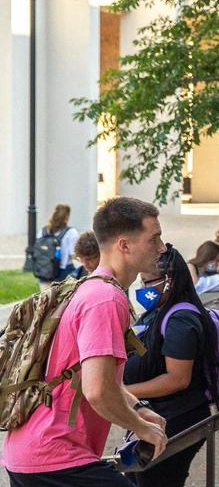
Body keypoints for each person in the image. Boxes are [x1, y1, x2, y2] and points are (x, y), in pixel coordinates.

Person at [2, 197, 169, 487]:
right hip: (55, 457)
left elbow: (96, 379)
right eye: (153, 238)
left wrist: (139, 408)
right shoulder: (105, 299)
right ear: (124, 245)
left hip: (32, 454)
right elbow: (97, 391)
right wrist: (141, 428)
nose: (161, 247)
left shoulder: (92, 288)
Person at [123, 246, 219, 487]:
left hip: (178, 419)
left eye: (148, 282)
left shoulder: (181, 321)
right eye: (141, 282)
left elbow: (177, 379)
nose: (143, 289)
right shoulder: (157, 312)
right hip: (158, 417)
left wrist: (124, 392)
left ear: (170, 281)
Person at [37, 204, 81, 287]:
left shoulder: (43, 231)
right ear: (67, 217)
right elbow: (73, 255)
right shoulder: (71, 232)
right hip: (63, 272)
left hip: (43, 271)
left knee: (46, 298)